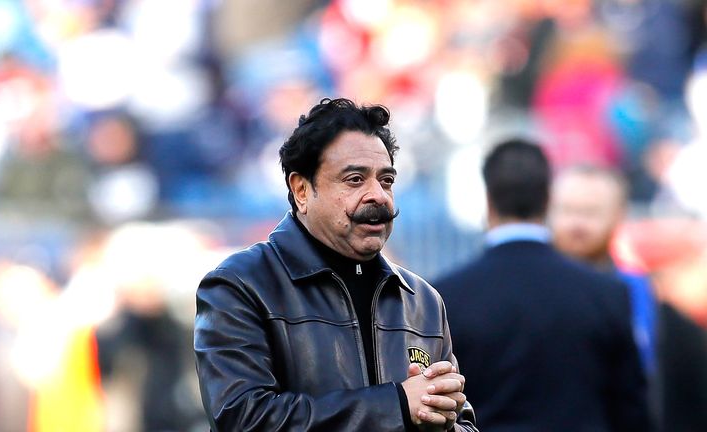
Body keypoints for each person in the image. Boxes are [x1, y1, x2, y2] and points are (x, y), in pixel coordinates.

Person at [194, 98, 477, 431]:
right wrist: (397, 405)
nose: (379, 195)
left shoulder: (422, 301)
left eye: (386, 181)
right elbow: (244, 419)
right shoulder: (239, 285)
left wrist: (438, 422)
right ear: (301, 190)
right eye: (355, 180)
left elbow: (463, 423)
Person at [433, 139, 650, 431]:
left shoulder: (445, 297)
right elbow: (631, 411)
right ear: (547, 199)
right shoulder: (607, 293)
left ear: (488, 200)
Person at [550, 164, 707, 431]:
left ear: (618, 216)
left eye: (590, 212)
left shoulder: (648, 304)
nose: (577, 224)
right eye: (567, 210)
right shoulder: (530, 291)